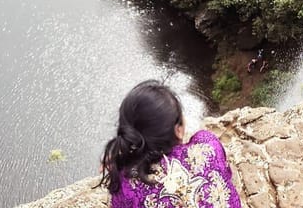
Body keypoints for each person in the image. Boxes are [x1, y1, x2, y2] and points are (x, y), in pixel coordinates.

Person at [98, 80, 241, 207]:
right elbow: (226, 174)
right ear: (178, 129)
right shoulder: (208, 145)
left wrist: (121, 164)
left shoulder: (126, 184)